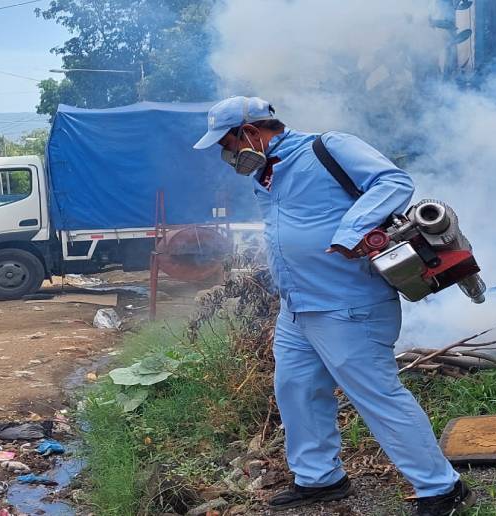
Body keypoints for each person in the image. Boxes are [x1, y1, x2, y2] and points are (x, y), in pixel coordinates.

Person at [193, 96, 475, 516]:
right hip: (297, 306)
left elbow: (393, 182)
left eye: (227, 143)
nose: (226, 155)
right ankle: (319, 478)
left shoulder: (327, 147)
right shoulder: (266, 175)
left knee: (378, 395)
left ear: (249, 132)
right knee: (297, 389)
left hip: (348, 305)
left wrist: (351, 231)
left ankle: (443, 489)